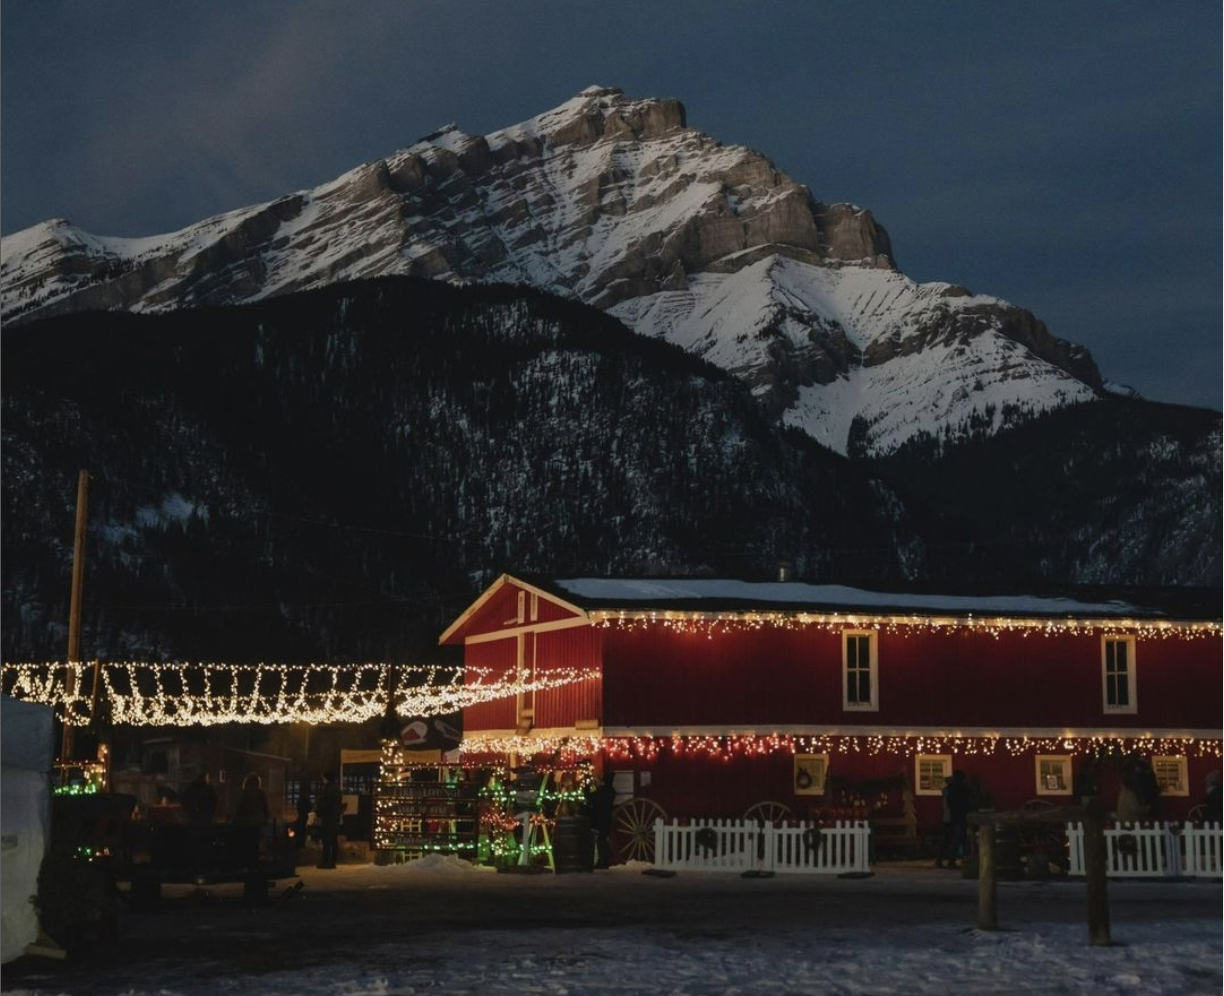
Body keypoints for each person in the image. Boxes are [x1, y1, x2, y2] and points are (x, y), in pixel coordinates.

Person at [585, 771, 617, 869]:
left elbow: (590, 797)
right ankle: (604, 859)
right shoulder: (612, 791)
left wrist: (587, 787)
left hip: (600, 818)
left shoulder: (601, 791)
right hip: (607, 817)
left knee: (601, 839)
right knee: (603, 838)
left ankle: (602, 861)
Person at [942, 770, 972, 870]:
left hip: (953, 817)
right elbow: (968, 802)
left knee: (957, 839)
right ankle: (958, 860)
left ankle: (964, 860)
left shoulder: (950, 789)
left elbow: (949, 803)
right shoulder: (964, 788)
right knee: (959, 839)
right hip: (961, 817)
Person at [315, 771, 345, 869]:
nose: (322, 780)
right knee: (333, 840)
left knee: (326, 840)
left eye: (323, 778)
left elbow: (325, 804)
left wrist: (318, 812)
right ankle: (333, 861)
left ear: (326, 778)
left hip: (327, 818)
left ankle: (325, 861)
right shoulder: (337, 789)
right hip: (335, 818)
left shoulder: (327, 789)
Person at [294, 777, 313, 849]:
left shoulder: (300, 799)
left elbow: (298, 807)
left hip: (301, 815)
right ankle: (302, 844)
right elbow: (310, 807)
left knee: (299, 830)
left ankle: (299, 844)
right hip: (305, 815)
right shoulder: (307, 799)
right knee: (303, 830)